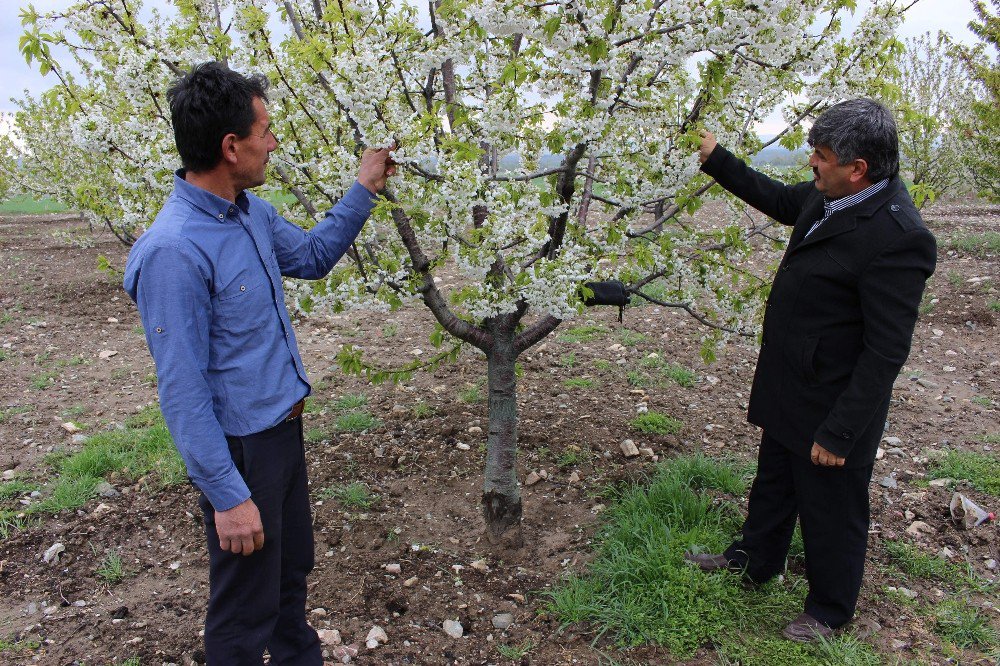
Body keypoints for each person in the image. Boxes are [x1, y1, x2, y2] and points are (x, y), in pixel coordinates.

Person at [123, 61, 395, 664]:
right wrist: (227, 495)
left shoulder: (252, 214)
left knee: (288, 578)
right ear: (230, 146)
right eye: (264, 132)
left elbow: (317, 255)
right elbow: (182, 388)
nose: (272, 144)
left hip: (281, 432)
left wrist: (364, 188)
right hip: (241, 452)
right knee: (245, 611)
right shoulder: (175, 251)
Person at [685, 99, 936, 642]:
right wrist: (716, 158)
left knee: (831, 507)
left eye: (820, 157)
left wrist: (841, 430)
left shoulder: (898, 237)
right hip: (793, 378)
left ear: (858, 167)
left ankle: (828, 610)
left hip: (836, 401)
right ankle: (755, 562)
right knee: (774, 482)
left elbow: (886, 351)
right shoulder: (830, 198)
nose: (811, 166)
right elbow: (777, 199)